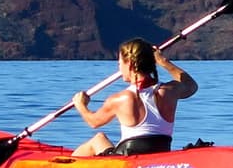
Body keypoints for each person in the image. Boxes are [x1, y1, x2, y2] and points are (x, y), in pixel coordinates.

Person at [69, 38, 197, 157]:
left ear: (129, 64)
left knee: (99, 139)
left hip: (127, 160)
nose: (119, 68)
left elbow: (93, 122)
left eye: (119, 63)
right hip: (159, 156)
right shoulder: (170, 91)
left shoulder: (120, 99)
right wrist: (163, 62)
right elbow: (191, 86)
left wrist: (81, 105)